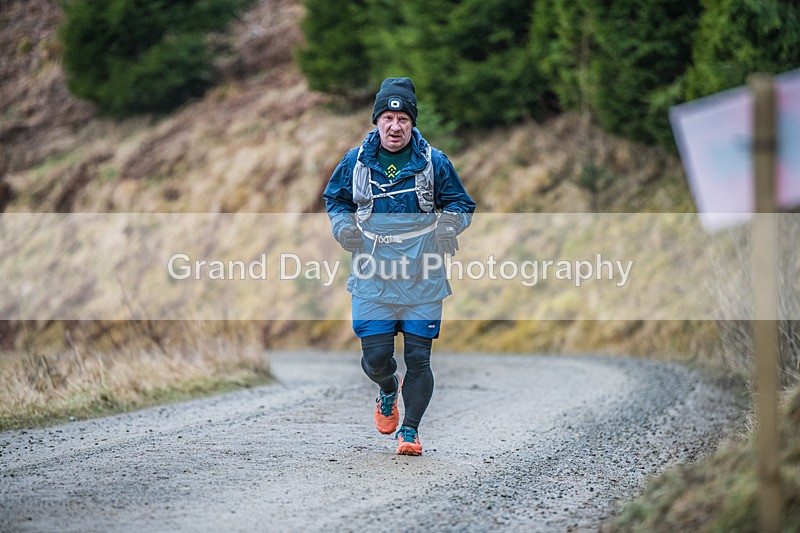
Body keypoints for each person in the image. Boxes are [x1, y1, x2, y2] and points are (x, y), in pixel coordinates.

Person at [323, 77, 476, 456]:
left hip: (423, 273)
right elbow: (336, 201)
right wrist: (344, 229)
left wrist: (448, 225)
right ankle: (388, 389)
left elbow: (461, 204)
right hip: (372, 273)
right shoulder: (355, 162)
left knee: (418, 359)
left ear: (412, 123)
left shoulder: (434, 162)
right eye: (388, 119)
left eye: (403, 119)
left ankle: (410, 431)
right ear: (377, 121)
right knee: (376, 359)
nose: (395, 127)